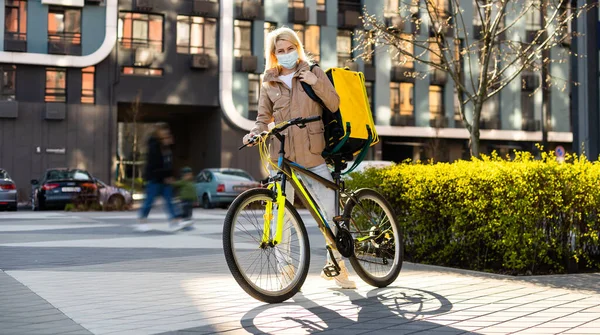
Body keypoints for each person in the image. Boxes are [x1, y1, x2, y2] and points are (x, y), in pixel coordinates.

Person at [242, 27, 356, 289]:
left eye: (289, 49)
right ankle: (286, 270)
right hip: (280, 157)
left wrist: (316, 84)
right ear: (273, 54)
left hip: (312, 153)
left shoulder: (313, 71)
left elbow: (335, 104)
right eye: (280, 51)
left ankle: (339, 266)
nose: (285, 54)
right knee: (280, 214)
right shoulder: (269, 81)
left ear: (297, 48)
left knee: (329, 212)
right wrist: (254, 133)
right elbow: (263, 119)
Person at [135, 123, 186, 232]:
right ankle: (142, 221)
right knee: (149, 200)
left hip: (164, 179)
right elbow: (155, 164)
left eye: (167, 132)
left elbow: (169, 163)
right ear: (158, 132)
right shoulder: (154, 145)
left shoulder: (165, 146)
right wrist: (165, 176)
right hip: (155, 178)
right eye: (164, 131)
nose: (166, 133)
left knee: (169, 200)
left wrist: (170, 145)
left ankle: (175, 221)